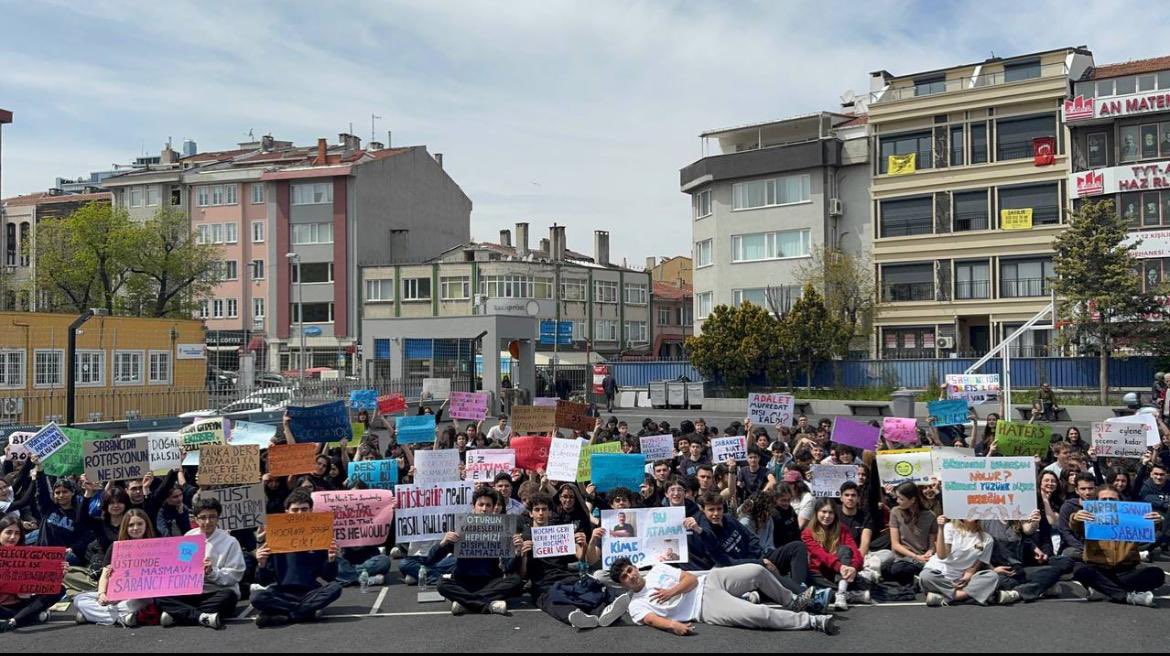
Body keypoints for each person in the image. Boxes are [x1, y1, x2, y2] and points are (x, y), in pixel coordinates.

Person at [610, 557, 838, 635]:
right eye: (623, 577)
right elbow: (652, 620)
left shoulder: (658, 569)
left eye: (629, 570)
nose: (629, 576)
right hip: (704, 607)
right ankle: (812, 621)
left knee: (756, 570)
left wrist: (671, 591)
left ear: (635, 567)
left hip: (709, 581)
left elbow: (690, 580)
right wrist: (673, 626)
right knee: (758, 615)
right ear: (622, 584)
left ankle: (792, 602)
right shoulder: (636, 605)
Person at [519, 493, 628, 629]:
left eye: (544, 509)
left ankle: (602, 613)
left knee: (587, 586)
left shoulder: (559, 532)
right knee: (553, 598)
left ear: (550, 512)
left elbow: (581, 558)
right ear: (530, 513)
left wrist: (582, 544)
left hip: (565, 576)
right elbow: (523, 575)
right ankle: (577, 616)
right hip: (543, 583)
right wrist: (523, 555)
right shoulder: (524, 536)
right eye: (536, 509)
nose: (541, 513)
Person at [251, 489, 343, 627]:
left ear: (311, 510)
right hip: (281, 592)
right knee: (256, 597)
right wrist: (262, 564)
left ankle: (286, 616)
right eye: (295, 510)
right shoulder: (275, 537)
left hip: (309, 592)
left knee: (335, 588)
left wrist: (331, 560)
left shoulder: (320, 536)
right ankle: (305, 613)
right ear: (286, 512)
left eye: (304, 509)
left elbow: (329, 577)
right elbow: (264, 581)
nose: (300, 513)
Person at [433, 488, 525, 615]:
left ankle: (465, 603)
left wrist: (517, 552)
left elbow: (509, 568)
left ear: (493, 508)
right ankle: (488, 605)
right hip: (463, 582)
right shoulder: (461, 528)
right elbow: (431, 560)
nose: (484, 509)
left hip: (490, 582)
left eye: (488, 505)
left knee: (516, 581)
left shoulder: (502, 530)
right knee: (441, 584)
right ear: (473, 507)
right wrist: (443, 543)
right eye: (480, 505)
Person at [1070, 485, 1165, 606]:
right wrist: (1075, 518)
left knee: (1156, 574)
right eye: (1104, 500)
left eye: (1112, 500)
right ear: (1096, 502)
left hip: (1126, 571)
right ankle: (1127, 597)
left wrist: (1157, 521)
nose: (1108, 503)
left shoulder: (1132, 517)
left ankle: (1104, 590)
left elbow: (1151, 528)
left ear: (1120, 502)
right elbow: (1075, 526)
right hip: (1099, 570)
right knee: (1080, 570)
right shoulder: (1089, 517)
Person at [157, 498, 245, 628]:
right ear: (196, 519)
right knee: (160, 596)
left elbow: (235, 575)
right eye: (203, 518)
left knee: (229, 596)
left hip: (216, 591)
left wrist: (212, 572)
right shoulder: (188, 537)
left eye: (212, 517)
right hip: (191, 591)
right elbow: (181, 566)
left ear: (218, 518)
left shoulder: (230, 541)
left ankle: (179, 613)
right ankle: (201, 617)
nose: (208, 522)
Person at [73, 509, 158, 626]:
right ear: (125, 528)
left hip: (138, 596)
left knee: (143, 601)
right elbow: (104, 574)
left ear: (146, 525)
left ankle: (92, 616)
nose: (135, 528)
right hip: (115, 594)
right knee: (79, 599)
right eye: (131, 525)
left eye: (140, 524)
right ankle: (121, 617)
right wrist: (102, 594)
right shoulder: (115, 547)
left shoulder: (156, 547)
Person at [919, 515, 1017, 607]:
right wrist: (940, 528)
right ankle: (964, 596)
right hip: (940, 575)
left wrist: (970, 573)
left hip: (962, 579)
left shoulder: (987, 538)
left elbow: (980, 561)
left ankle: (948, 597)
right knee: (925, 576)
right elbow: (942, 556)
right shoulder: (949, 527)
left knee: (992, 576)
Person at [801, 499, 873, 611]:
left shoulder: (842, 529)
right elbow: (822, 555)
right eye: (823, 512)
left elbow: (855, 551)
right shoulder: (807, 533)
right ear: (816, 513)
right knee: (813, 591)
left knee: (844, 549)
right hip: (819, 572)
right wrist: (841, 567)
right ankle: (851, 595)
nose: (827, 516)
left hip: (839, 571)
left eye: (831, 513)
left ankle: (841, 593)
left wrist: (853, 568)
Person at [0, 515, 66, 631]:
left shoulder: (28, 555)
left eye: (17, 533)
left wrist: (59, 572)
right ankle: (31, 617)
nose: (12, 537)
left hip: (21, 604)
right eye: (8, 532)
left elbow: (44, 584)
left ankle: (14, 621)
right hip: (1, 607)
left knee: (59, 589)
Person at [886, 482, 938, 585]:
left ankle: (920, 579)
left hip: (923, 558)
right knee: (896, 569)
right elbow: (895, 544)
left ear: (913, 500)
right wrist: (915, 557)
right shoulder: (895, 512)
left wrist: (930, 552)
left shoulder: (930, 516)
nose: (897, 501)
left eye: (901, 499)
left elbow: (932, 544)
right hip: (904, 558)